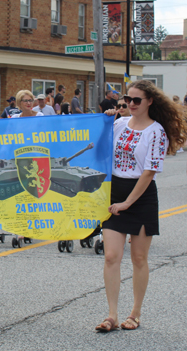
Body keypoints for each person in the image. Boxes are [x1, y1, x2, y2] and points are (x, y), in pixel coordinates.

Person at [95, 80, 187, 332]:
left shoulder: (156, 131)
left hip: (141, 195)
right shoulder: (119, 124)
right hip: (115, 191)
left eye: (136, 100)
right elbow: (97, 146)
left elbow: (148, 172)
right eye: (127, 99)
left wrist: (127, 203)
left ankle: (135, 313)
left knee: (138, 258)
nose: (130, 104)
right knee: (112, 256)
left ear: (150, 102)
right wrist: (103, 121)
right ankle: (111, 314)